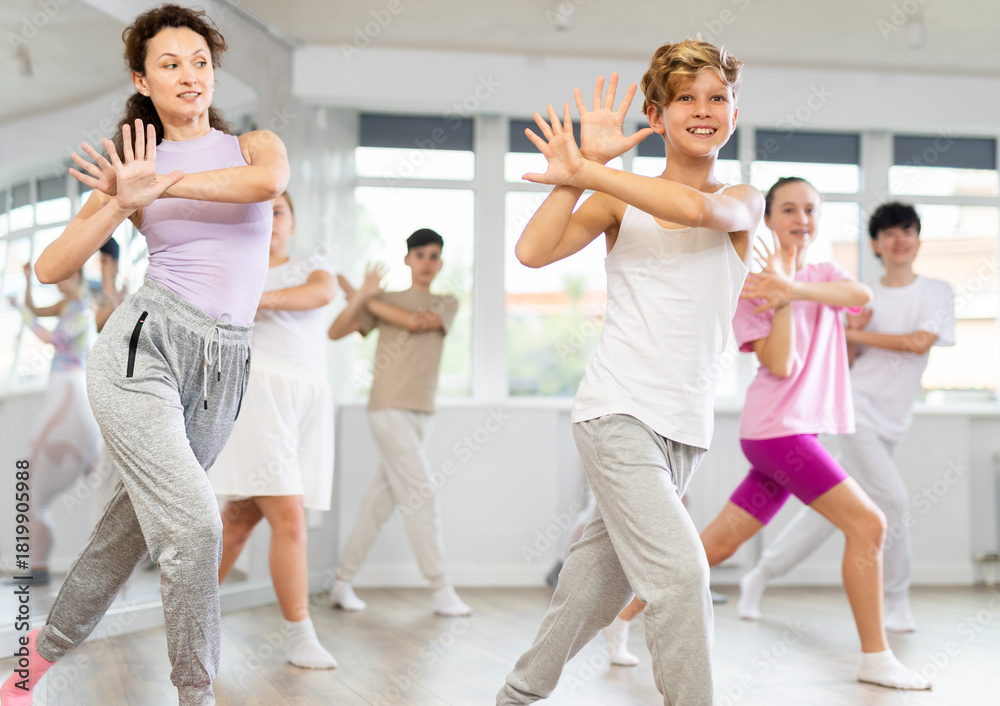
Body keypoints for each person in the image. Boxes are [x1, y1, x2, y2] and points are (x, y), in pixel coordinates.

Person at [0, 5, 288, 705]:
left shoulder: (256, 143)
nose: (190, 75)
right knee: (195, 522)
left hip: (225, 367)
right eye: (170, 64)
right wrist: (116, 201)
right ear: (143, 79)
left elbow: (265, 187)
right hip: (143, 348)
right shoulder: (136, 166)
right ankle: (197, 694)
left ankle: (26, 665)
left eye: (200, 61)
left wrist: (159, 186)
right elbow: (51, 264)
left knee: (120, 541)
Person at [497, 40, 762, 706]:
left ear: (735, 109)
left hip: (684, 430)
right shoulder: (618, 202)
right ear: (657, 112)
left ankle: (515, 696)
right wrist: (579, 174)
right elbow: (533, 251)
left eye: (717, 97)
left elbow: (694, 211)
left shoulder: (742, 199)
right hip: (616, 413)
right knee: (680, 576)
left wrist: (592, 168)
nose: (704, 111)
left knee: (592, 591)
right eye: (685, 99)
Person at [689, 177, 929, 690]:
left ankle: (618, 618)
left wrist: (793, 288)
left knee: (718, 545)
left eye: (812, 210)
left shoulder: (821, 274)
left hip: (794, 433)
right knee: (869, 524)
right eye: (789, 209)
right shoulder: (751, 286)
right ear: (768, 219)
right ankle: (875, 657)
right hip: (778, 432)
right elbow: (781, 361)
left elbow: (860, 294)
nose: (802, 219)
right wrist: (777, 297)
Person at [738, 201, 956, 633]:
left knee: (832, 513)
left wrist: (850, 331)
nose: (900, 240)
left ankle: (760, 574)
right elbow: (845, 357)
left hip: (895, 419)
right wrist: (848, 335)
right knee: (888, 503)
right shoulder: (856, 290)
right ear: (875, 244)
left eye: (907, 231)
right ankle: (896, 601)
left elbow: (916, 342)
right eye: (889, 233)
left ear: (918, 240)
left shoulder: (936, 292)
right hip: (855, 413)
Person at [209, 192, 339, 669]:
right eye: (260, 213)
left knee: (239, 521)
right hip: (260, 396)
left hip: (306, 400)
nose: (271, 220)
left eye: (280, 210)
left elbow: (321, 294)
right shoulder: (234, 269)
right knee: (289, 517)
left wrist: (255, 301)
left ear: (293, 222)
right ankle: (299, 633)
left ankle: (189, 614)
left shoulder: (311, 265)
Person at [327, 229, 471, 617]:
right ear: (407, 259)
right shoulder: (381, 299)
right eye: (420, 254)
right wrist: (361, 298)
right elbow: (335, 331)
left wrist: (366, 298)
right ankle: (441, 587)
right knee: (422, 493)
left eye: (434, 256)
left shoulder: (446, 302)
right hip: (387, 407)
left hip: (422, 411)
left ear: (440, 263)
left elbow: (417, 322)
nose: (427, 262)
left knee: (379, 500)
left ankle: (342, 582)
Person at [5, 265, 101, 586]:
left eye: (58, 274)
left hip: (70, 394)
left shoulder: (82, 308)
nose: (54, 282)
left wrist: (20, 310)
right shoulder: (69, 306)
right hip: (68, 394)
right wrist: (28, 283)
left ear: (74, 276)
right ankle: (38, 567)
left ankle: (39, 567)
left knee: (30, 488)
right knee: (32, 491)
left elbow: (52, 338)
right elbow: (37, 308)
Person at [94, 237, 127, 333]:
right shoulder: (97, 297)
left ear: (115, 264)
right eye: (100, 261)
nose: (101, 267)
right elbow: (95, 325)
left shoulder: (124, 297)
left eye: (104, 261)